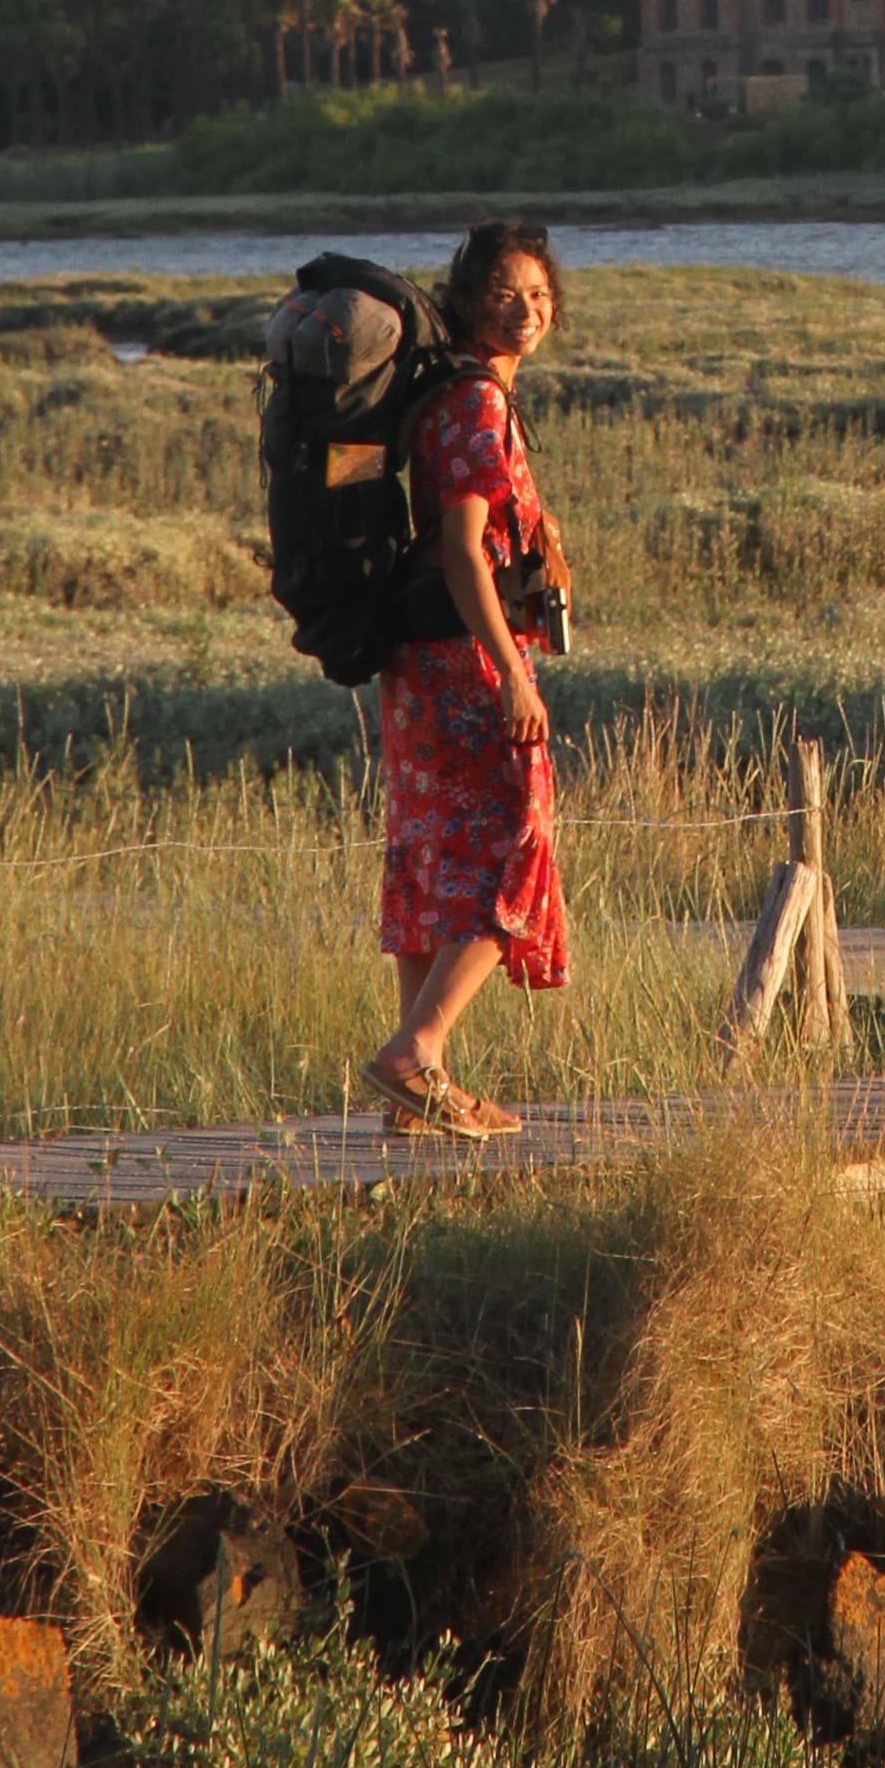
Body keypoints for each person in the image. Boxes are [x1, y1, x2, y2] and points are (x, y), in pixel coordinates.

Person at [362, 216, 571, 1138]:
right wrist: (507, 675)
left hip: (422, 664)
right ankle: (419, 1050)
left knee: (435, 853)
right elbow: (459, 551)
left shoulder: (449, 395)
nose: (523, 310)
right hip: (464, 658)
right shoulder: (476, 405)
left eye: (537, 294)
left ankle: (419, 1087)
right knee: (509, 845)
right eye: (501, 294)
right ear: (461, 303)